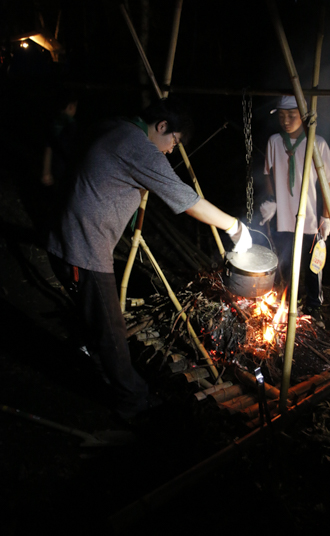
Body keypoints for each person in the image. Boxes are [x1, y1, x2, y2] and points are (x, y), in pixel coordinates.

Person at [46, 96, 252, 423]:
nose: (172, 149)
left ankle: (91, 357)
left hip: (68, 237)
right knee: (111, 331)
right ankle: (135, 404)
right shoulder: (137, 145)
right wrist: (235, 227)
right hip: (83, 248)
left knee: (94, 318)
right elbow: (188, 201)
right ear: (161, 126)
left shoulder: (117, 125)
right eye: (174, 140)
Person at [260, 95, 330, 319]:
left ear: (303, 117)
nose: (286, 121)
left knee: (314, 265)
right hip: (284, 217)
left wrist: (326, 218)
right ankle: (290, 299)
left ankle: (314, 303)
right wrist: (271, 201)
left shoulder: (317, 143)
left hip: (311, 217)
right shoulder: (274, 141)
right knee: (286, 262)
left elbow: (328, 184)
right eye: (282, 116)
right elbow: (269, 173)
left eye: (291, 115)